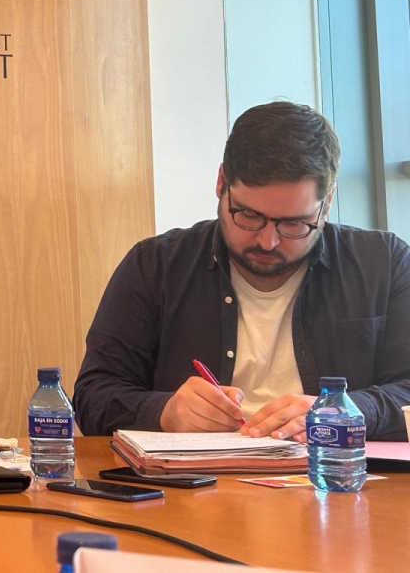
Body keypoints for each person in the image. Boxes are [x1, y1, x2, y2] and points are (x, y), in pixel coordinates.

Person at [74, 101, 410, 441]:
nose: (268, 241)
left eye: (294, 223)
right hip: (191, 487)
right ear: (221, 184)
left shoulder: (384, 264)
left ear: (327, 203)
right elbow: (93, 396)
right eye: (249, 216)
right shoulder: (156, 266)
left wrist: (345, 411)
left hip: (339, 481)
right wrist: (164, 412)